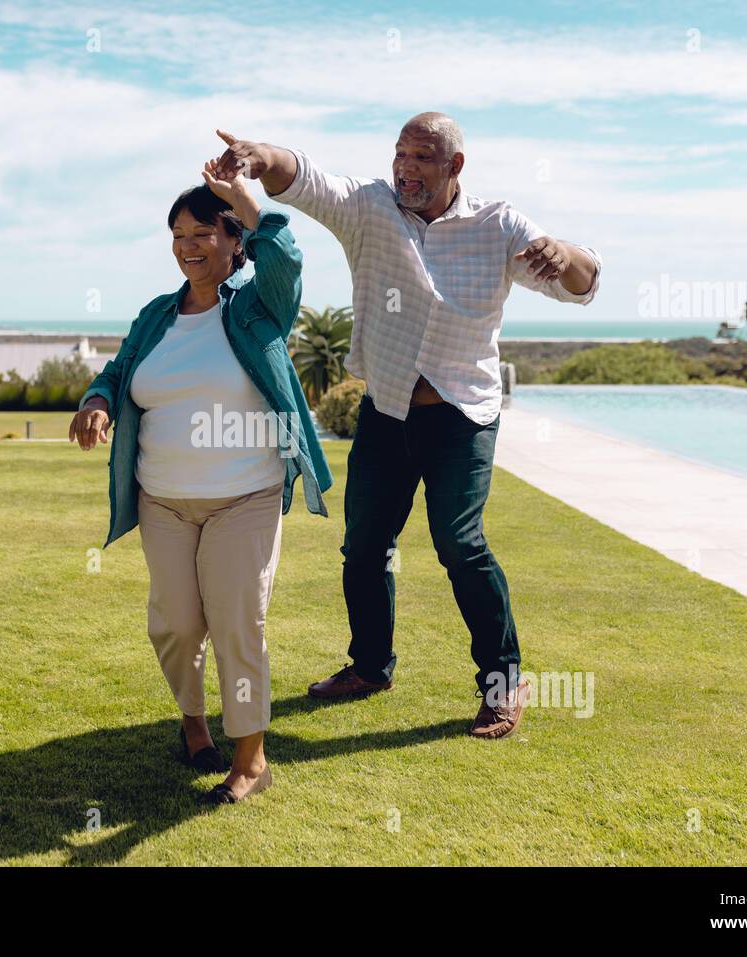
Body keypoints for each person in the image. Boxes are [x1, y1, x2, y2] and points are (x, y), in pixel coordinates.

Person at [212, 112, 602, 739]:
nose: (406, 169)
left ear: (455, 167)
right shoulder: (369, 208)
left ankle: (504, 682)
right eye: (400, 154)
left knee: (458, 542)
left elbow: (579, 286)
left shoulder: (499, 225)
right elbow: (307, 180)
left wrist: (570, 252)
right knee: (364, 545)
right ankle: (370, 667)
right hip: (388, 408)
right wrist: (259, 157)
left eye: (422, 158)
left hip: (462, 415)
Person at [70, 162, 331, 802]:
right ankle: (193, 724)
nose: (188, 247)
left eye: (202, 234)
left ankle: (250, 760)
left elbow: (286, 261)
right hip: (164, 499)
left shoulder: (259, 308)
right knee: (178, 624)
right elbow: (119, 368)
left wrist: (249, 199)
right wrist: (98, 399)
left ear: (235, 239)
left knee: (239, 622)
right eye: (178, 236)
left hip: (245, 496)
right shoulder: (157, 315)